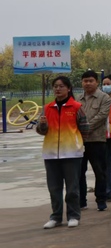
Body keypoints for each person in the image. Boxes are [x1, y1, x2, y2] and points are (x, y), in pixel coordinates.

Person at [37, 76, 90, 229]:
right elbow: (41, 131)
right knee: (54, 188)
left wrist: (77, 143)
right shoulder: (47, 108)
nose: (58, 89)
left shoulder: (76, 107)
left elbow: (85, 128)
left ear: (68, 88)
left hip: (72, 153)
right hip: (51, 153)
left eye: (61, 86)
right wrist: (42, 125)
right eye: (55, 86)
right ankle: (56, 217)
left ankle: (73, 215)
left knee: (72, 188)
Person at [76, 70, 111, 212]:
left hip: (97, 140)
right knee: (79, 172)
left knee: (100, 171)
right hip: (79, 141)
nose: (88, 83)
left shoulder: (104, 98)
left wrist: (85, 127)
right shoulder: (77, 99)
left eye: (91, 81)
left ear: (96, 82)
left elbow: (102, 116)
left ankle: (101, 200)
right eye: (85, 81)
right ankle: (81, 201)